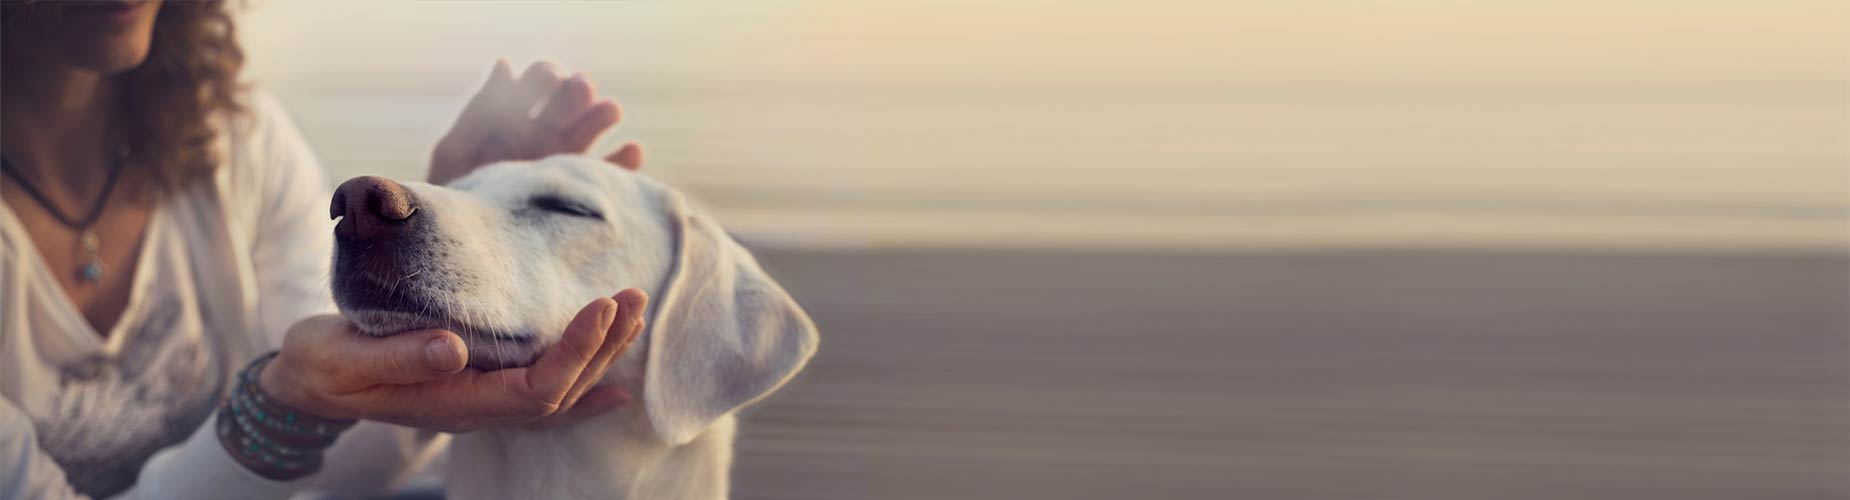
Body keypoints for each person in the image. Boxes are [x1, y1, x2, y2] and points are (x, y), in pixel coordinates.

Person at [0, 1, 651, 498]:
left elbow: (348, 465)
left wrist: (449, 248)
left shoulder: (231, 137)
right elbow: (307, 408)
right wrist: (283, 401)